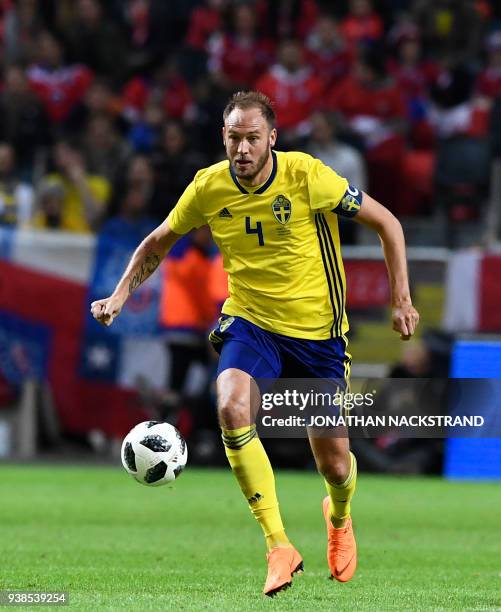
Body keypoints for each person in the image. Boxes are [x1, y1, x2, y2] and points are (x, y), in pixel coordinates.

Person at [90, 91, 419, 596]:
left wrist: (401, 298)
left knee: (333, 462)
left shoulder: (309, 176)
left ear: (272, 139)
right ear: (223, 138)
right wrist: (118, 294)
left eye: (252, 138)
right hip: (252, 323)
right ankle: (278, 545)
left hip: (318, 337)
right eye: (233, 138)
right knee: (230, 405)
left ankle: (340, 515)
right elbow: (158, 241)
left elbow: (388, 224)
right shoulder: (208, 187)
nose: (242, 149)